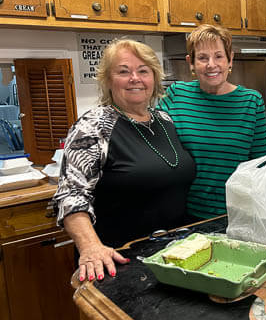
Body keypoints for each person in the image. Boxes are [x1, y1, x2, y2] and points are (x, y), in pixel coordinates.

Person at [54, 39, 196, 281]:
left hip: (171, 254)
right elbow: (71, 195)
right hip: (119, 258)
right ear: (108, 80)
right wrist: (90, 247)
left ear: (154, 78)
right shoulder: (94, 125)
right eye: (123, 71)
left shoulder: (164, 120)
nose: (135, 78)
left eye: (143, 71)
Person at [158, 24, 266, 219]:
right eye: (202, 58)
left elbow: (260, 166)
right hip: (182, 215)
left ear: (230, 59)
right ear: (190, 63)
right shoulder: (177, 94)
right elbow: (154, 145)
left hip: (236, 215)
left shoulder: (252, 102)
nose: (211, 64)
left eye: (218, 56)